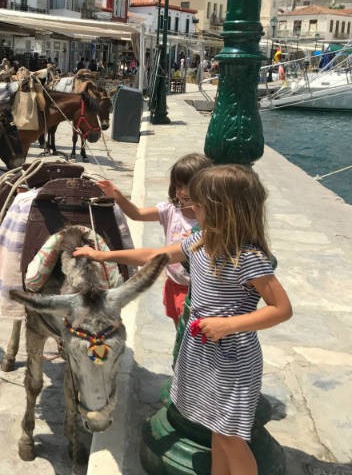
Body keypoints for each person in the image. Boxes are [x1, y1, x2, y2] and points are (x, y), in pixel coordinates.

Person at [74, 164, 292, 474]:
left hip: (232, 359)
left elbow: (281, 308)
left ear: (222, 210)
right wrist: (103, 256)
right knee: (215, 428)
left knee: (231, 437)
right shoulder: (200, 243)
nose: (190, 208)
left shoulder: (248, 258)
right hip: (201, 350)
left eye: (197, 204)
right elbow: (154, 255)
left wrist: (228, 324)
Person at [93, 153, 212, 325]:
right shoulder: (170, 209)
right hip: (173, 283)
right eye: (179, 186)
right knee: (179, 328)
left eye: (189, 186)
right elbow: (137, 214)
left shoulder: (210, 219)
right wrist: (117, 196)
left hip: (197, 289)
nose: (183, 192)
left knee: (189, 332)